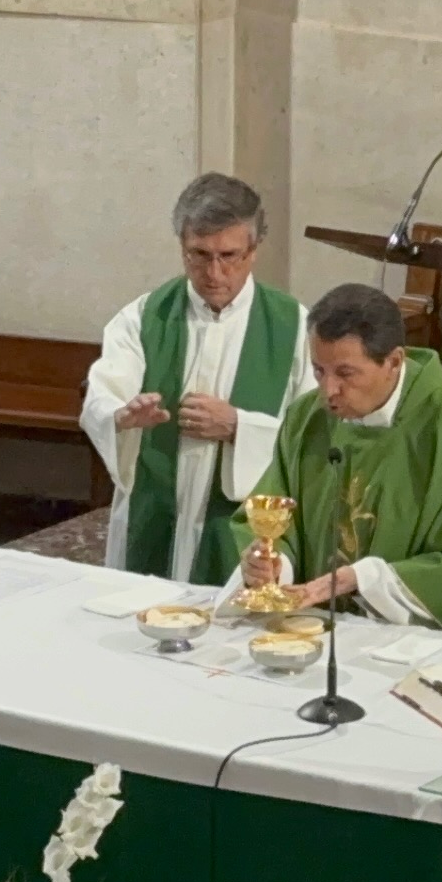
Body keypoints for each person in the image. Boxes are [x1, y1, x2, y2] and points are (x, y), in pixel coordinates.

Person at [231, 282, 442, 633]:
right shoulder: (306, 418)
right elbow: (272, 515)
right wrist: (273, 563)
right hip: (314, 631)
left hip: (415, 640)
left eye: (345, 373)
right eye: (319, 370)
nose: (328, 391)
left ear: (394, 362)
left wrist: (364, 579)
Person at [80, 173, 312, 583]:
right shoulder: (143, 317)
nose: (214, 272)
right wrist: (123, 417)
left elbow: (314, 436)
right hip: (153, 519)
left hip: (239, 532)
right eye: (199, 255)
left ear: (254, 250)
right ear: (182, 246)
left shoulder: (293, 328)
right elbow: (103, 395)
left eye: (229, 255)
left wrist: (239, 426)